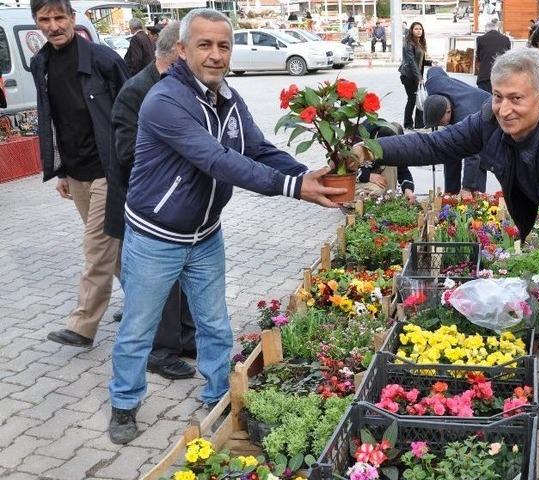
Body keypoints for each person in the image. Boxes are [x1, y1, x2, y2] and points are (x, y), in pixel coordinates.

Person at [351, 48, 539, 429]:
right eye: (498, 96)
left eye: (516, 98)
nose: (504, 109)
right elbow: (434, 145)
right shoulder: (491, 121)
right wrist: (372, 149)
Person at [107, 8, 346, 444]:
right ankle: (124, 403)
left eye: (223, 45)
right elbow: (218, 160)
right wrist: (294, 188)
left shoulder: (228, 98)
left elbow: (256, 148)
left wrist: (312, 177)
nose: (216, 55)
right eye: (204, 45)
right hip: (154, 237)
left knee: (214, 323)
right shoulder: (163, 101)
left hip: (204, 236)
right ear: (181, 50)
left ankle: (220, 394)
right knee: (138, 328)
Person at [30, 0, 129, 348]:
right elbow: (54, 120)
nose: (54, 25)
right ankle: (147, 305)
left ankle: (83, 325)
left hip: (108, 169)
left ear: (72, 18)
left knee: (96, 245)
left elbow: (132, 111)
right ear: (36, 22)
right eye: (45, 19)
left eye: (60, 17)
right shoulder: (39, 63)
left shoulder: (103, 59)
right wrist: (60, 172)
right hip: (76, 173)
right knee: (115, 248)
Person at [106, 22, 197, 380]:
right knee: (157, 282)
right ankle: (159, 351)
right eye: (198, 47)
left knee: (186, 277)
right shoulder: (137, 91)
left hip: (183, 203)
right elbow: (128, 154)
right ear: (179, 50)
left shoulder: (186, 86)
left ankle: (185, 338)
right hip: (148, 206)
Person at [421, 66, 489, 196]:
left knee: (479, 162)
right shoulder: (434, 86)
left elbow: (473, 156)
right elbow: (434, 70)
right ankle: (451, 194)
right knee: (451, 150)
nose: (440, 126)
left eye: (440, 122)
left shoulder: (464, 116)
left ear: (448, 111)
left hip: (487, 116)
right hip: (464, 106)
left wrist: (467, 186)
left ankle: (476, 198)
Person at [355, 122, 416, 202]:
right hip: (358, 181)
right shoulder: (360, 139)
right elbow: (346, 171)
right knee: (377, 191)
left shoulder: (396, 149)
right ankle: (358, 201)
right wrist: (368, 176)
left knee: (391, 164)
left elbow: (403, 172)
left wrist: (408, 190)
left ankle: (388, 199)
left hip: (379, 182)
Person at [399, 22, 432, 130]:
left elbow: (420, 61)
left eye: (420, 29)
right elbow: (412, 62)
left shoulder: (419, 43)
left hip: (417, 75)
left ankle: (420, 124)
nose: (419, 31)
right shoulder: (409, 44)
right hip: (408, 75)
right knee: (412, 99)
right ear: (411, 31)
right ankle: (408, 124)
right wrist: (419, 78)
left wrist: (430, 63)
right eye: (416, 29)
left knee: (420, 98)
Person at [475, 19, 511, 93]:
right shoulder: (506, 39)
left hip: (484, 76)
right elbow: (508, 58)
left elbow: (478, 58)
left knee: (484, 100)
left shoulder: (480, 39)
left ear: (486, 30)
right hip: (501, 76)